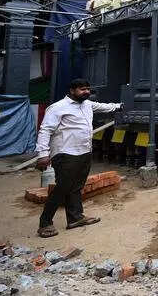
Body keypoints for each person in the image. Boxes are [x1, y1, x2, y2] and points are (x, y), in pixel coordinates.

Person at [35, 78, 123, 237]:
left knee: (77, 186)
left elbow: (104, 107)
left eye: (88, 89)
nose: (87, 92)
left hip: (84, 151)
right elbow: (45, 130)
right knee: (62, 188)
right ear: (72, 91)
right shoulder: (57, 108)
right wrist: (42, 154)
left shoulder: (87, 104)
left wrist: (120, 106)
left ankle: (75, 218)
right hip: (65, 153)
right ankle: (45, 223)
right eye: (82, 89)